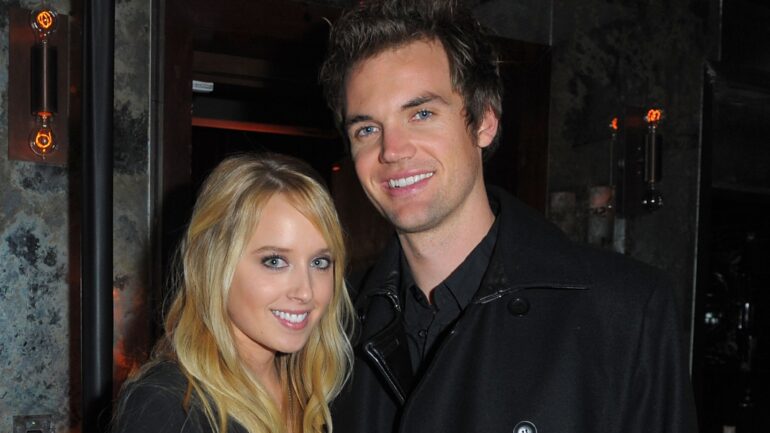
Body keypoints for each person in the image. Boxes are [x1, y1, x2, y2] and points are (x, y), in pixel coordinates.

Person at [319, 1, 698, 432]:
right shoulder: (333, 330)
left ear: (484, 122)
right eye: (366, 129)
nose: (392, 150)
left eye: (422, 114)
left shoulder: (623, 312)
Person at [112, 153, 354, 433]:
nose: (306, 291)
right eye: (275, 261)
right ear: (214, 264)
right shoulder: (168, 405)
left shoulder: (316, 392)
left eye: (320, 262)